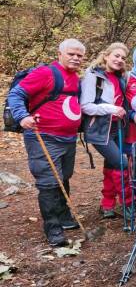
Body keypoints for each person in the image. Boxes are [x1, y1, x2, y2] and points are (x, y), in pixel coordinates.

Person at [7, 39, 86, 246]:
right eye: (71, 54)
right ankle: (53, 229)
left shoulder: (75, 78)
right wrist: (22, 116)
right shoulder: (46, 73)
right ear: (59, 53)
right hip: (43, 137)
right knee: (49, 182)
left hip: (68, 139)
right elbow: (17, 94)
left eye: (79, 55)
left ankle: (63, 216)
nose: (76, 58)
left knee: (64, 177)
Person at [80, 42, 131, 219]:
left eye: (123, 58)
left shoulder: (120, 78)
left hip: (118, 128)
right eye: (116, 56)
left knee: (111, 165)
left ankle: (107, 204)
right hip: (100, 130)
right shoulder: (93, 76)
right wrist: (111, 109)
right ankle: (128, 204)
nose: (119, 60)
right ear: (106, 55)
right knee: (122, 163)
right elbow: (86, 106)